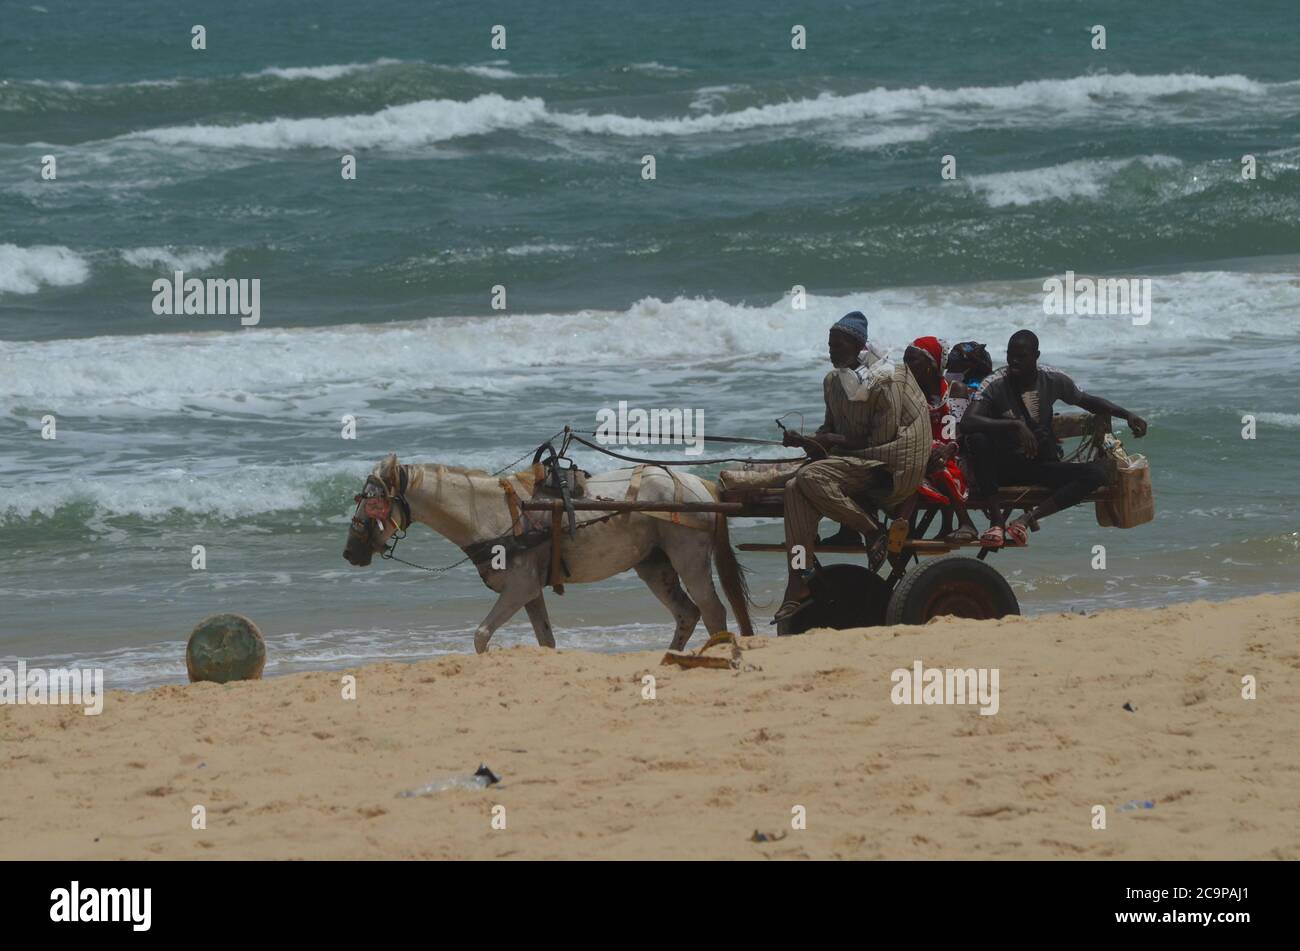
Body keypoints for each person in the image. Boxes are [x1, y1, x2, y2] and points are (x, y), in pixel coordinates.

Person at [776, 311, 929, 621]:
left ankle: (871, 531)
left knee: (808, 476)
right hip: (857, 461)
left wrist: (830, 439)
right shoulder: (833, 382)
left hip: (893, 462)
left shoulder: (886, 379)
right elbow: (830, 431)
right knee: (794, 487)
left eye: (837, 345)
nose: (830, 351)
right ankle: (798, 580)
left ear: (859, 346)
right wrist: (806, 440)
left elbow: (880, 440)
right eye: (829, 345)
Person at [959, 329, 1147, 547]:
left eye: (1021, 356)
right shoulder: (995, 382)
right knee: (978, 440)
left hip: (1038, 465)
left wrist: (1127, 415)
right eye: (1010, 355)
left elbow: (1087, 400)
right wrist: (1015, 425)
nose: (1013, 361)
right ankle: (997, 523)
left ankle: (1026, 520)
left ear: (1036, 356)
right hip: (1002, 468)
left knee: (1098, 473)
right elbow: (968, 422)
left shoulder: (1052, 379)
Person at [902, 336, 980, 542]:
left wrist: (947, 449)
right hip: (920, 454)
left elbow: (959, 431)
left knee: (939, 464)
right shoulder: (907, 393)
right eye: (905, 360)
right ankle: (907, 530)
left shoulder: (954, 390)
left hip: (954, 453)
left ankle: (966, 523)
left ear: (931, 364)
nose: (906, 366)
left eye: (913, 360)